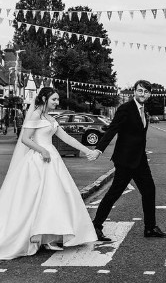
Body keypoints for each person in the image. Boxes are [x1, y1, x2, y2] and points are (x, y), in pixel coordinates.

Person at [0, 87, 97, 260]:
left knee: (54, 198)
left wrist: (87, 150)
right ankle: (41, 237)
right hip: (38, 161)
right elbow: (25, 139)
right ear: (44, 98)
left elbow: (67, 138)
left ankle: (50, 237)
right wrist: (42, 151)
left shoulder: (51, 118)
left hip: (53, 161)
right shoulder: (35, 115)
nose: (57, 102)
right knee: (38, 199)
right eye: (54, 99)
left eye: (57, 99)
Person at [89, 79, 166, 241]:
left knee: (149, 190)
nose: (143, 94)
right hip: (125, 160)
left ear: (149, 94)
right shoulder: (125, 109)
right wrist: (99, 150)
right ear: (134, 91)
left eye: (146, 92)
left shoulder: (143, 110)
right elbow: (113, 129)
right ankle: (96, 226)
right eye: (140, 90)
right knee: (114, 193)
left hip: (140, 159)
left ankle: (150, 228)